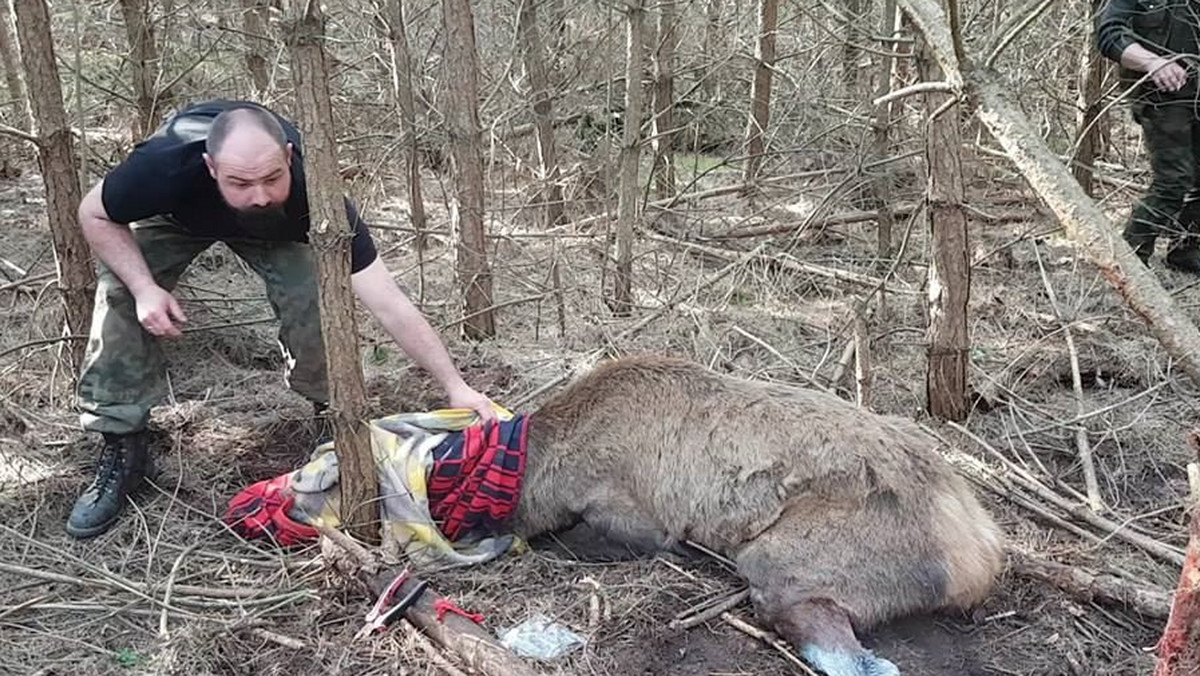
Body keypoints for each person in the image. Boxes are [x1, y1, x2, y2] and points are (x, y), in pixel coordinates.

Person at [67, 99, 496, 539]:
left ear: (289, 158)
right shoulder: (163, 167)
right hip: (176, 217)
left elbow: (387, 299)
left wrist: (454, 385)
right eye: (240, 182)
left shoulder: (316, 193)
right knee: (120, 294)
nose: (260, 195)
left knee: (316, 296)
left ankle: (329, 418)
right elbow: (92, 211)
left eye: (273, 178)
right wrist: (144, 289)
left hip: (279, 232)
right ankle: (124, 447)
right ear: (211, 167)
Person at [1096, 0, 1200, 274]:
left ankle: (1187, 250)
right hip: (1161, 99)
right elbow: (1110, 34)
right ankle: (1130, 261)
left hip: (1197, 93)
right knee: (1173, 181)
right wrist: (1153, 63)